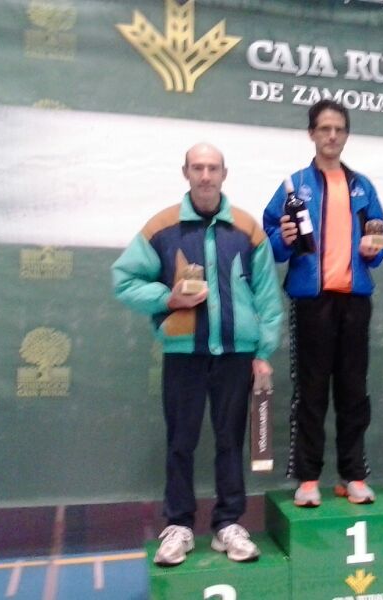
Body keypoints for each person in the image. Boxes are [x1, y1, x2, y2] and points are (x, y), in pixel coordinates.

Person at [112, 143, 283, 566]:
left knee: (230, 441)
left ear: (225, 173)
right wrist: (167, 298)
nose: (205, 176)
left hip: (236, 356)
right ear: (185, 172)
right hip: (183, 355)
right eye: (197, 168)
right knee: (180, 441)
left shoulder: (247, 229)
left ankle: (228, 524)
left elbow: (267, 297)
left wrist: (263, 351)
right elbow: (124, 280)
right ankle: (179, 526)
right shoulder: (162, 227)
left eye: (212, 168)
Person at [263, 99, 383, 507]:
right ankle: (308, 479)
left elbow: (380, 238)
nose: (332, 135)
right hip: (311, 302)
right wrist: (282, 239)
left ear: (346, 135)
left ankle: (353, 476)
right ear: (312, 134)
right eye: (324, 128)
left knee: (354, 392)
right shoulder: (294, 185)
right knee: (311, 391)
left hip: (354, 301)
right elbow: (270, 242)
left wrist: (374, 249)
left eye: (339, 129)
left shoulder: (363, 186)